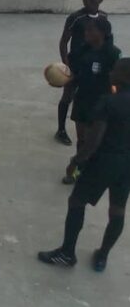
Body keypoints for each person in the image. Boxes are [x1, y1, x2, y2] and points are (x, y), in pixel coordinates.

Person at [38, 58, 130, 272]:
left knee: (77, 201)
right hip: (127, 165)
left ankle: (67, 253)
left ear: (124, 77)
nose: (110, 73)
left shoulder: (109, 102)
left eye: (115, 70)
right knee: (117, 210)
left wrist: (75, 162)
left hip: (104, 161)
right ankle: (102, 256)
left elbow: (93, 141)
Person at [64, 18, 121, 184]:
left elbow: (119, 80)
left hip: (100, 103)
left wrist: (114, 101)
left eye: (91, 30)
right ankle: (78, 170)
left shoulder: (112, 53)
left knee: (93, 139)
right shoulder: (82, 50)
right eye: (86, 30)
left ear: (102, 33)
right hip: (82, 99)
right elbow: (73, 72)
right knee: (81, 138)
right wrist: (67, 84)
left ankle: (88, 169)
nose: (87, 33)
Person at [56, 0, 107, 146]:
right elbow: (64, 41)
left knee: (91, 98)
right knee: (67, 96)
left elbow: (106, 41)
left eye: (93, 0)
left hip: (94, 67)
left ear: (100, 0)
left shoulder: (104, 18)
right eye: (87, 0)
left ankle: (90, 132)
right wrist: (66, 64)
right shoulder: (75, 18)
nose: (89, 3)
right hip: (76, 64)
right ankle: (61, 130)